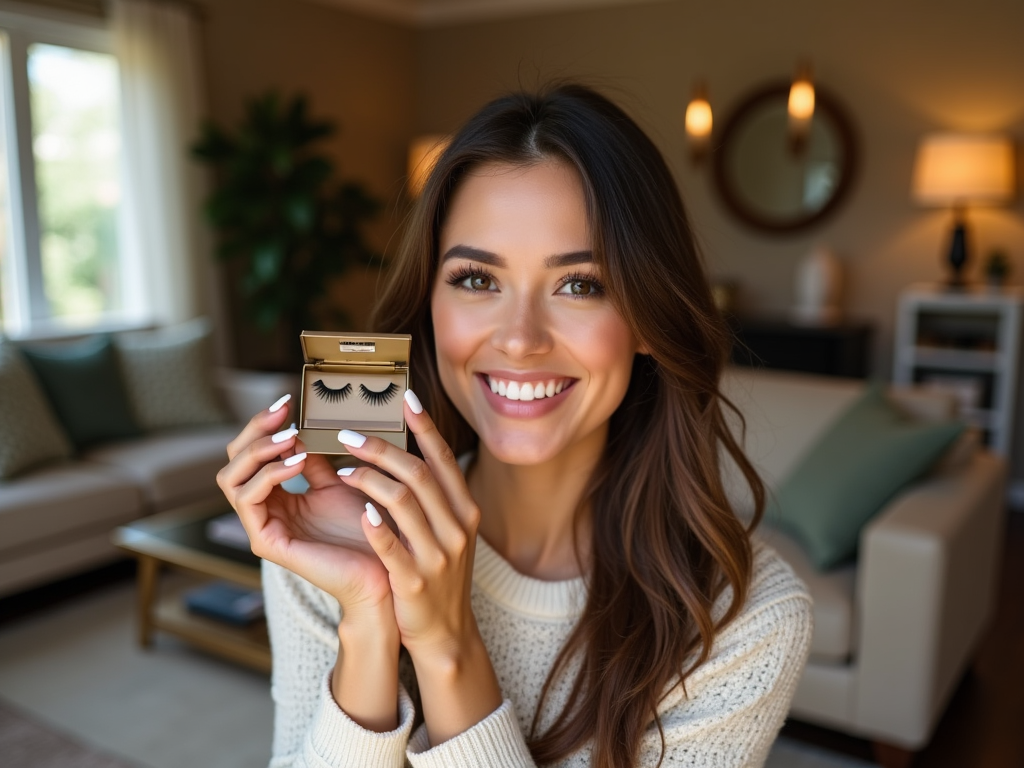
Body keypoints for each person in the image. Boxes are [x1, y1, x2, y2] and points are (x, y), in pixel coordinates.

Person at [217, 82, 812, 768]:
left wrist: (448, 645)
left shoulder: (745, 620)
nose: (521, 339)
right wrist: (368, 621)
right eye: (476, 279)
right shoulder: (336, 535)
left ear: (649, 320)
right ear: (429, 307)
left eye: (581, 284)